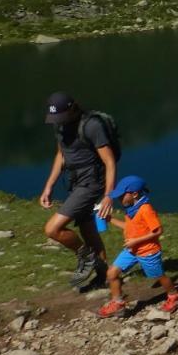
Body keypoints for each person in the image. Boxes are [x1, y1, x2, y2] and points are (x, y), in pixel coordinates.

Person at [40, 92, 117, 289]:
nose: (59, 122)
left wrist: (109, 195)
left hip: (92, 183)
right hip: (76, 181)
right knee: (88, 229)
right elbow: (61, 155)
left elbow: (109, 162)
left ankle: (86, 256)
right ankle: (105, 276)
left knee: (52, 229)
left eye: (61, 117)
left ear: (73, 108)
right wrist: (49, 186)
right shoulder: (61, 124)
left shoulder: (92, 126)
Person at [97, 175, 178, 318]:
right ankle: (117, 303)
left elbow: (158, 231)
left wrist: (135, 241)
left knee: (159, 276)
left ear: (134, 194)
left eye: (121, 196)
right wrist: (109, 219)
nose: (119, 199)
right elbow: (128, 228)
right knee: (111, 273)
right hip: (131, 250)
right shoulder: (131, 209)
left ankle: (175, 296)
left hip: (147, 251)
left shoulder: (145, 209)